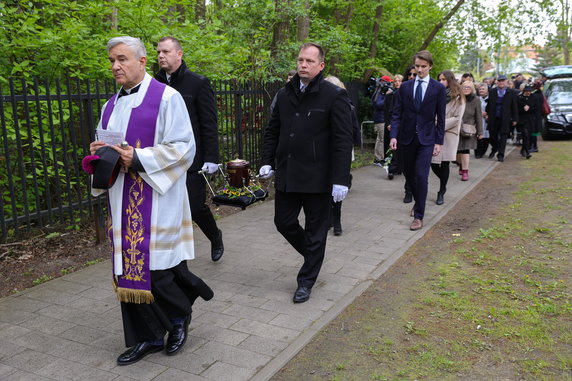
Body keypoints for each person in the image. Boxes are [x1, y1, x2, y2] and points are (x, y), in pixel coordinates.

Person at [89, 36, 213, 365]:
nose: (115, 66)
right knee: (126, 271)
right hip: (123, 199)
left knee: (157, 271)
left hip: (157, 198)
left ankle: (178, 318)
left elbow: (183, 147)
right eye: (112, 60)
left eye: (122, 59)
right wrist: (100, 154)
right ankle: (149, 336)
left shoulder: (167, 98)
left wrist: (138, 158)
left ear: (142, 61)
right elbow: (109, 146)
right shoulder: (110, 105)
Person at [259, 42, 353, 303]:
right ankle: (314, 256)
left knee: (315, 231)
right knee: (284, 222)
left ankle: (306, 281)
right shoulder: (286, 92)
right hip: (288, 174)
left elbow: (343, 140)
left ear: (321, 65)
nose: (303, 65)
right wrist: (268, 161)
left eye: (309, 61)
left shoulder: (334, 95)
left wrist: (340, 179)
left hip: (318, 178)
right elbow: (273, 130)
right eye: (301, 60)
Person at [154, 36, 224, 263]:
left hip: (192, 159)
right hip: (164, 157)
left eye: (165, 51)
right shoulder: (153, 84)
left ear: (179, 54)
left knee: (194, 207)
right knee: (168, 208)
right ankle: (174, 255)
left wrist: (212, 157)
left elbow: (209, 123)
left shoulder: (197, 83)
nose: (161, 56)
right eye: (158, 52)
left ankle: (215, 236)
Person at [390, 50, 446, 231]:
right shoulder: (406, 87)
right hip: (406, 138)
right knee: (409, 175)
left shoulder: (437, 88)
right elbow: (397, 113)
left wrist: (439, 141)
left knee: (422, 176)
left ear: (430, 66)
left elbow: (441, 116)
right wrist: (393, 136)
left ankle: (419, 215)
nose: (420, 70)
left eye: (423, 66)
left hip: (427, 139)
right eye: (417, 66)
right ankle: (418, 199)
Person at [324, 75, 360, 236]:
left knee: (336, 186)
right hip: (323, 152)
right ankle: (328, 219)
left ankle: (336, 220)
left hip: (339, 151)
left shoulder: (346, 105)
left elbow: (352, 129)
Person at [431, 70, 464, 205]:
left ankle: (441, 191)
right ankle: (444, 182)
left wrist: (439, 124)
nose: (441, 82)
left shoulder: (458, 97)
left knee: (444, 163)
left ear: (450, 80)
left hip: (449, 133)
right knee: (432, 162)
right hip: (435, 132)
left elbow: (457, 118)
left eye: (444, 79)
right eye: (439, 79)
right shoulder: (435, 94)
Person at [485, 74, 518, 162]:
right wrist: (487, 113)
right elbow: (489, 104)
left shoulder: (511, 92)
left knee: (503, 137)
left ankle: (501, 154)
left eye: (503, 81)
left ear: (506, 82)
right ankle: (495, 148)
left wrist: (515, 119)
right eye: (499, 81)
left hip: (505, 118)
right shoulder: (492, 91)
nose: (501, 83)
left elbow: (514, 106)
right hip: (493, 117)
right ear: (497, 82)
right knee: (493, 137)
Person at [457, 81, 484, 180]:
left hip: (468, 130)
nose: (466, 88)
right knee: (457, 152)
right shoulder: (457, 98)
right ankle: (460, 164)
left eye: (468, 87)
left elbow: (479, 117)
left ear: (472, 89)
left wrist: (480, 132)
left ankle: (465, 171)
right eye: (464, 87)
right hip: (456, 129)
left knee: (465, 150)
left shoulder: (476, 100)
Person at [401, 65, 417, 203]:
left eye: (414, 74)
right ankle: (408, 189)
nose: (412, 77)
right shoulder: (403, 89)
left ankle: (413, 191)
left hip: (420, 134)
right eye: (410, 74)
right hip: (405, 133)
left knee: (418, 168)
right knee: (407, 165)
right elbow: (396, 111)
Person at [383, 74, 404, 179]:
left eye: (399, 81)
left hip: (401, 124)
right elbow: (386, 111)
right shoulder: (389, 95)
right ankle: (391, 167)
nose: (397, 83)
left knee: (400, 146)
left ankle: (399, 167)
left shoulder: (405, 94)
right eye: (395, 81)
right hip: (391, 123)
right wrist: (388, 123)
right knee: (391, 146)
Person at [372, 76, 392, 166]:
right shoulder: (380, 93)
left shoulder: (379, 92)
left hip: (380, 119)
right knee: (382, 140)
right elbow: (378, 104)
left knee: (379, 139)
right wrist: (387, 96)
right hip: (381, 119)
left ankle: (377, 158)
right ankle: (380, 159)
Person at [516, 84, 538, 159]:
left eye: (529, 91)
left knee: (528, 135)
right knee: (525, 135)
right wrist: (523, 108)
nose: (528, 92)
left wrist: (529, 108)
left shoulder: (534, 97)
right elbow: (516, 109)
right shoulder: (519, 98)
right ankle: (527, 151)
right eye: (527, 91)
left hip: (530, 120)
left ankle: (524, 149)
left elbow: (536, 108)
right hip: (522, 120)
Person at [475, 83, 490, 158]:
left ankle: (483, 151)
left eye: (483, 89)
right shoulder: (476, 99)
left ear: (487, 91)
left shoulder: (490, 99)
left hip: (486, 120)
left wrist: (488, 115)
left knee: (486, 137)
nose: (481, 90)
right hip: (478, 120)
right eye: (480, 89)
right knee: (478, 136)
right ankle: (477, 152)